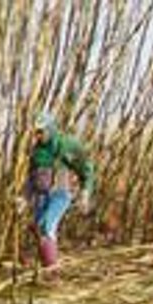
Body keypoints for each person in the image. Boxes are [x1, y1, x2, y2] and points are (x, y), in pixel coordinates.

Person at [21, 111, 95, 269]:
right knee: (38, 228)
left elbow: (86, 168)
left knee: (47, 226)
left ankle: (52, 269)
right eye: (36, 132)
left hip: (60, 192)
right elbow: (30, 178)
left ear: (51, 128)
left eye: (41, 131)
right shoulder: (37, 151)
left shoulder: (67, 144)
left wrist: (85, 192)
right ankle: (46, 265)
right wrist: (24, 198)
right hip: (40, 195)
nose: (38, 135)